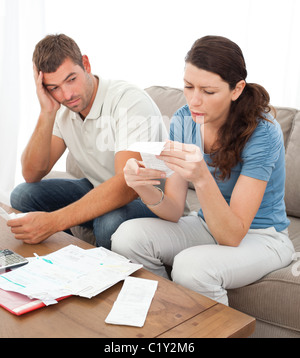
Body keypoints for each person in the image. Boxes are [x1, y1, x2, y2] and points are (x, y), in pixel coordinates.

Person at [111, 35, 295, 305]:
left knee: (190, 267)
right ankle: (165, 317)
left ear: (236, 89)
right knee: (127, 237)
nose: (194, 101)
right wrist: (141, 186)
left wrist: (201, 177)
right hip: (206, 223)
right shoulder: (184, 120)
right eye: (188, 87)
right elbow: (173, 210)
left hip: (263, 237)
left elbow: (232, 235)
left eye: (208, 92)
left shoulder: (263, 132)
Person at [9, 34, 167, 248]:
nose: (66, 94)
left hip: (153, 200)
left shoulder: (128, 101)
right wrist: (47, 112)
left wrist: (53, 222)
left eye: (71, 79)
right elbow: (31, 172)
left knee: (108, 222)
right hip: (99, 188)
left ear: (86, 64)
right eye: (54, 87)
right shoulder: (63, 107)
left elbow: (128, 186)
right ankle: (63, 262)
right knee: (23, 195)